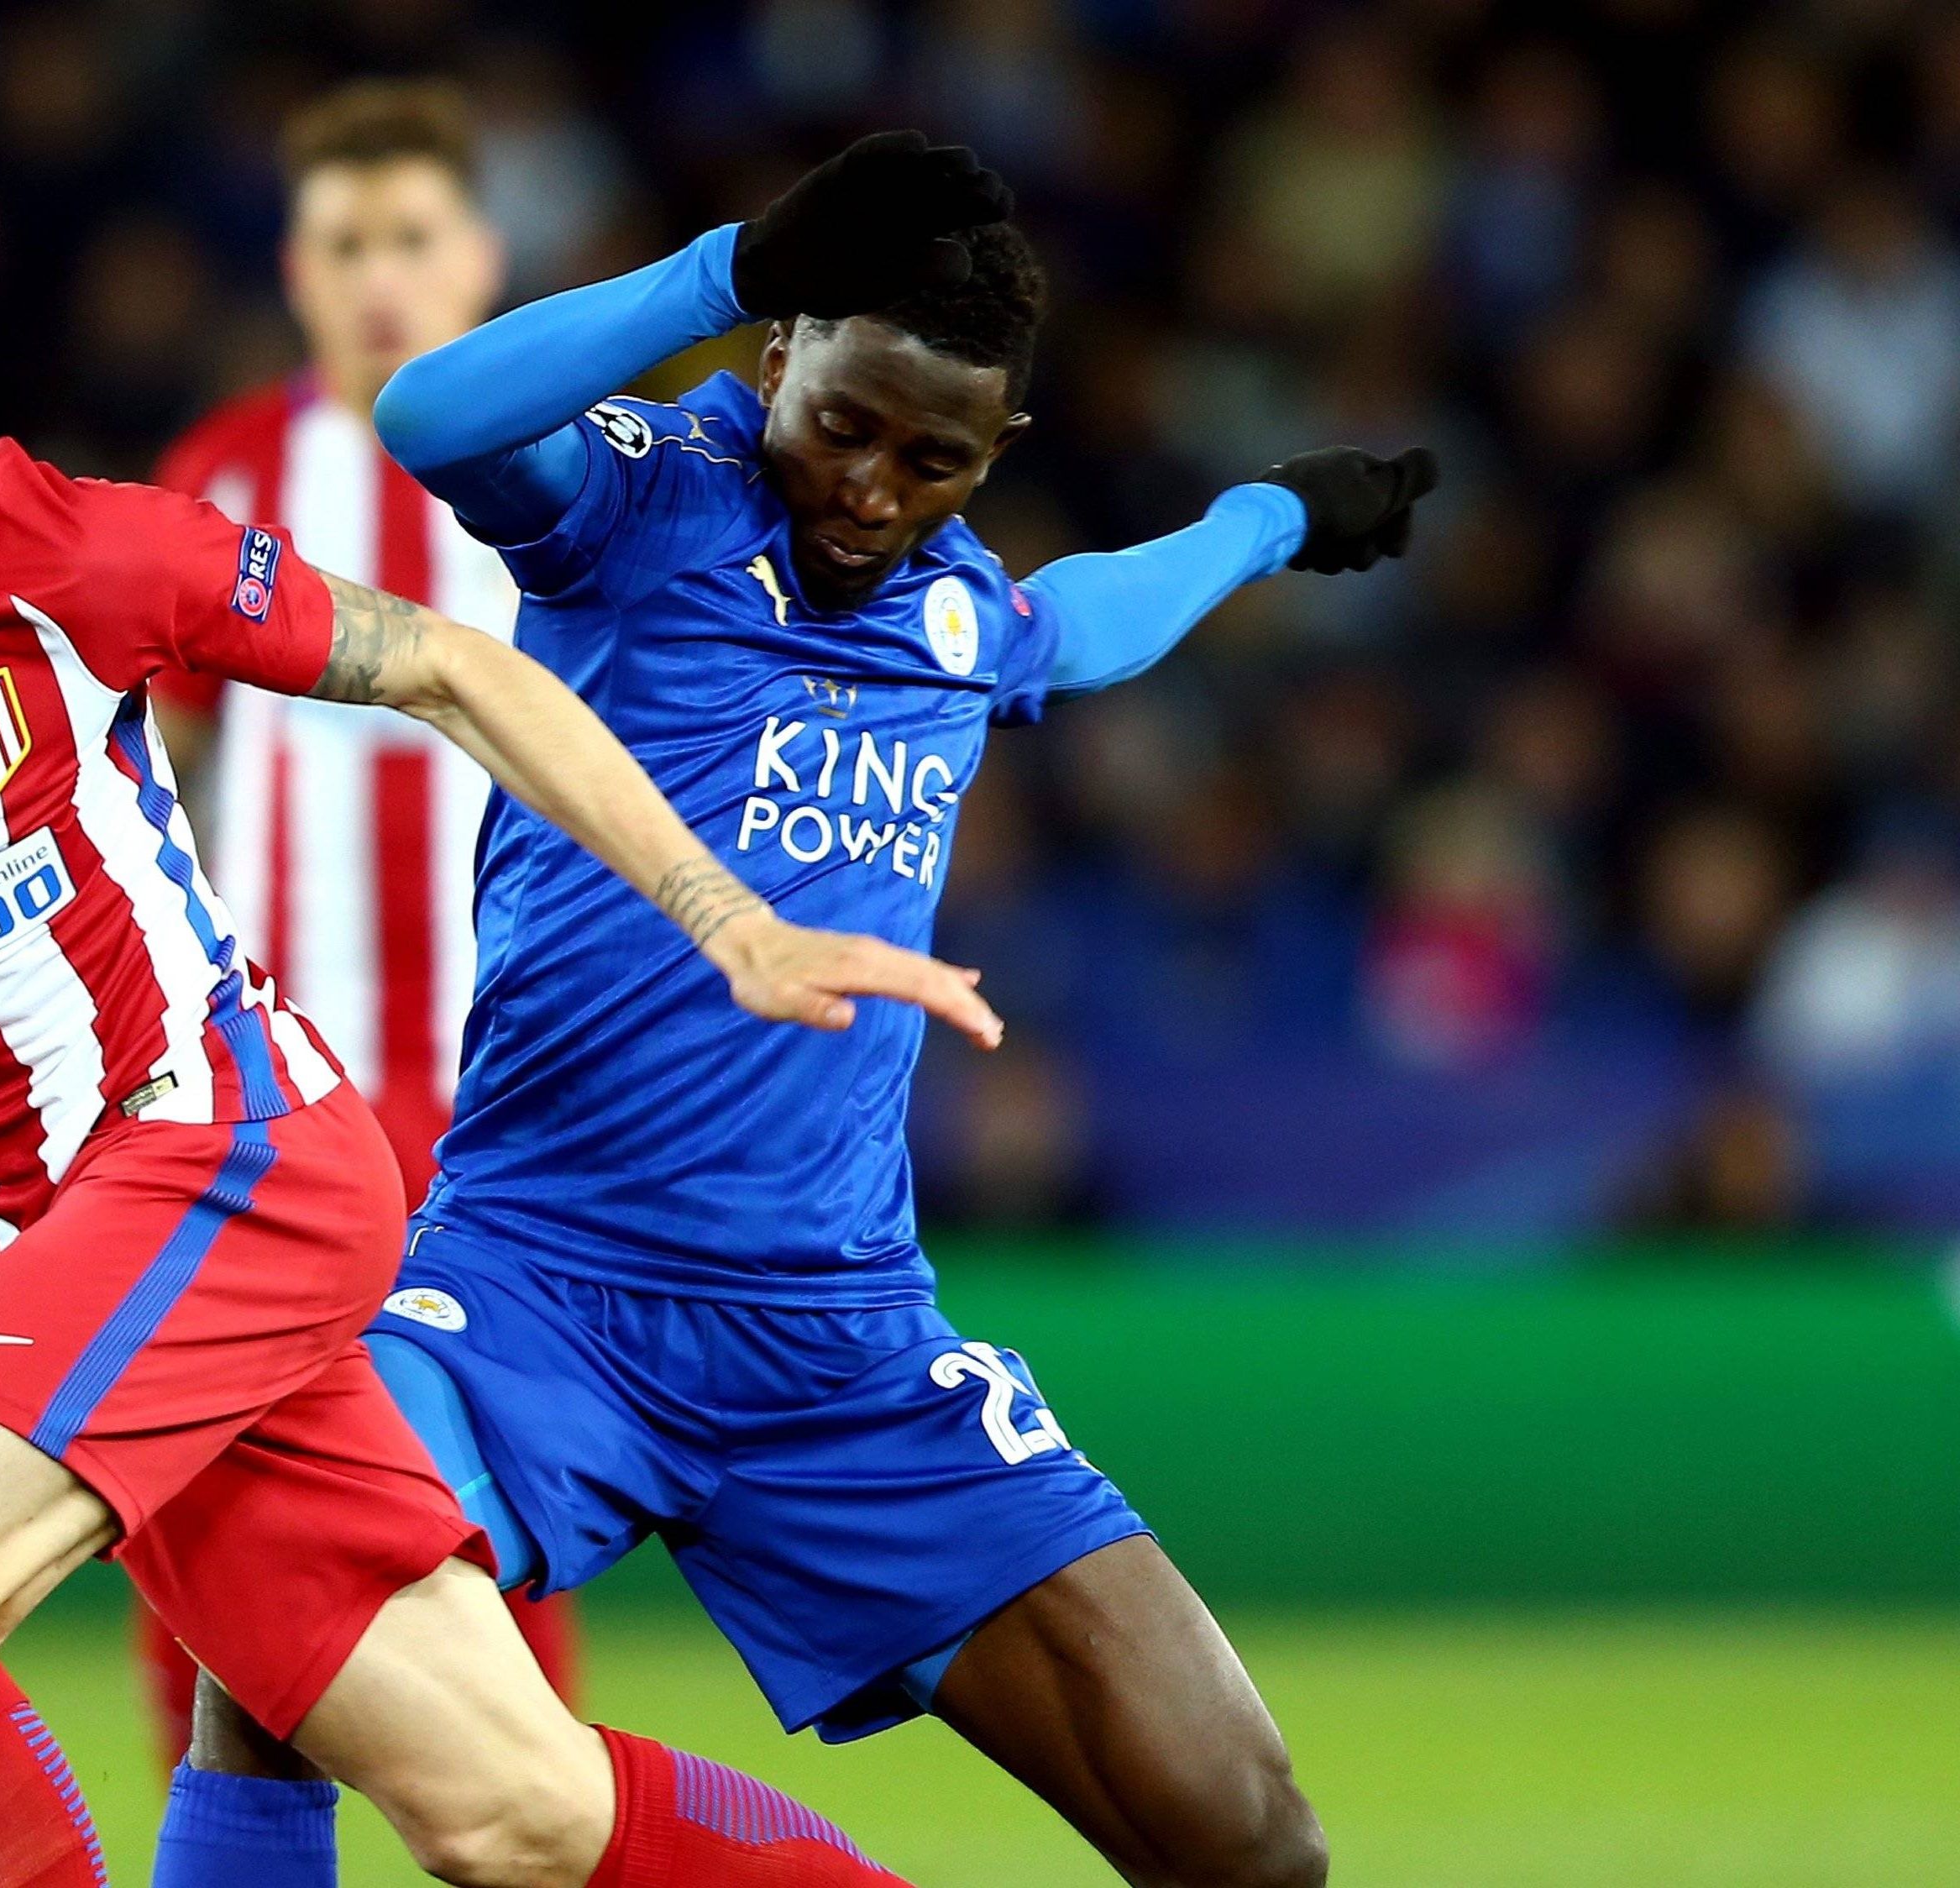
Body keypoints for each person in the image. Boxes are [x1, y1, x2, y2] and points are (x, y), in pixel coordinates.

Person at [0, 216, 1010, 1888]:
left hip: (225, 1158)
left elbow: (447, 663)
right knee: (514, 1810)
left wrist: (724, 916)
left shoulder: (49, 552)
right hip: (98, 1248)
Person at [150, 135, 1438, 1888]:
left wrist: (1268, 515)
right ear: (779, 363)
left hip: (838, 1337)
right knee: (293, 1616)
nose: (870, 490)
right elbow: (433, 412)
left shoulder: (962, 605)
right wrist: (724, 267)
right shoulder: (640, 506)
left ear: (993, 459)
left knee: (1247, 1836)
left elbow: (1083, 625)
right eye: (843, 424)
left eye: (935, 460)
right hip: (535, 1286)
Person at [138, 77, 579, 1778]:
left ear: (480, 256)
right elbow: (149, 769)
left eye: (412, 237)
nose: (381, 276)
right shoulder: (229, 475)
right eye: (346, 243)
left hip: (507, 1108)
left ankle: (530, 1819)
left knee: (496, 1519)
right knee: (205, 1501)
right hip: (274, 1092)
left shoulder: (575, 471)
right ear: (294, 269)